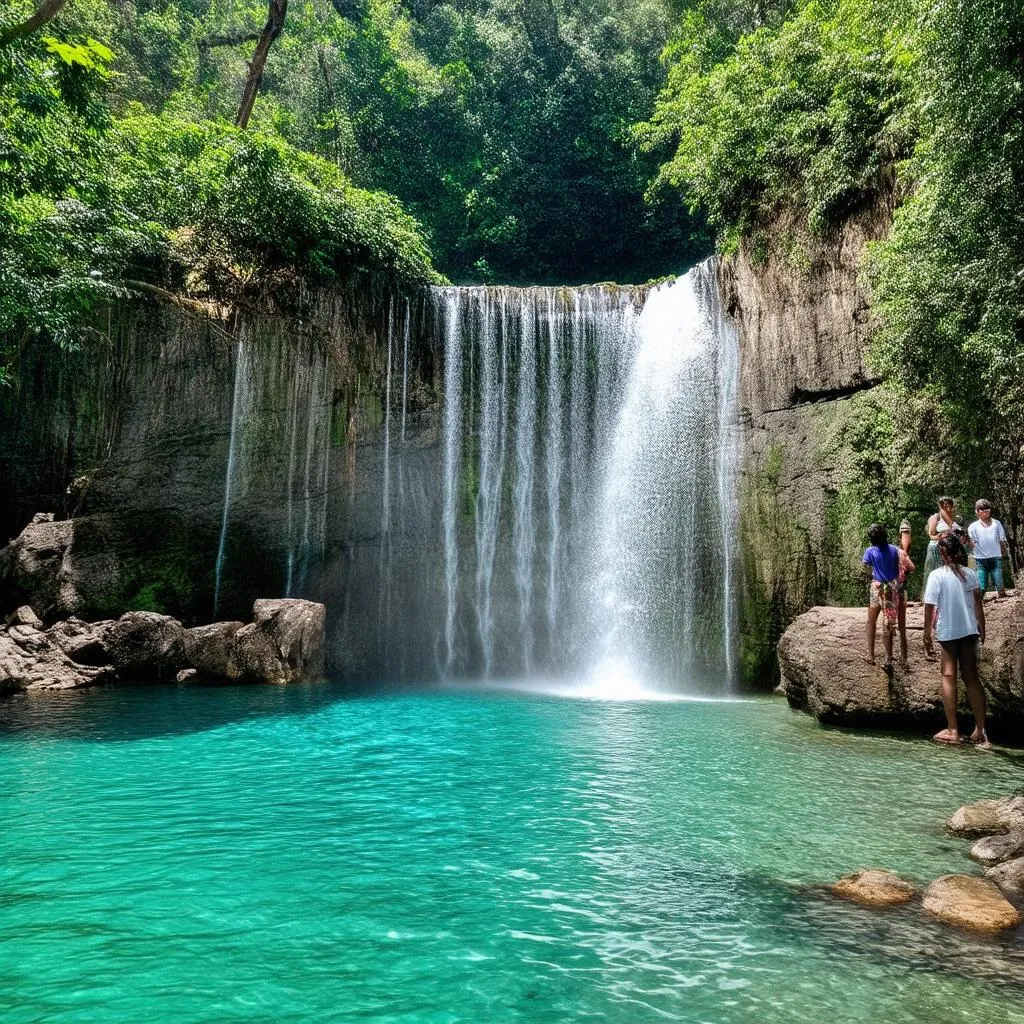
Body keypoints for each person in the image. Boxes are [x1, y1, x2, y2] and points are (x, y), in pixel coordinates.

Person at [922, 533, 989, 748]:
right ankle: (980, 730)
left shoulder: (936, 575)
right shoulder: (970, 573)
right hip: (970, 631)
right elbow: (978, 603)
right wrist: (982, 627)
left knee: (948, 675)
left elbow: (930, 606)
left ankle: (953, 730)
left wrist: (926, 632)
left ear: (942, 553)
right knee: (972, 678)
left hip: (949, 632)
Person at [861, 523, 906, 669]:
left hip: (877, 587)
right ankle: (888, 658)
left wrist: (871, 575)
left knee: (871, 620)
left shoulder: (870, 551)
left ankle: (871, 655)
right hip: (892, 589)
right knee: (888, 623)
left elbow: (865, 569)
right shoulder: (894, 550)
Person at [968, 499, 1009, 599]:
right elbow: (971, 543)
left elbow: (1002, 539)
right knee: (981, 585)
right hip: (980, 559)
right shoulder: (973, 527)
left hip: (995, 556)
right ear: (977, 511)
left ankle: (1001, 594)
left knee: (999, 581)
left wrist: (1004, 552)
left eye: (987, 510)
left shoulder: (996, 524)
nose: (985, 512)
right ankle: (980, 600)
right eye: (982, 510)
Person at [922, 496, 959, 597]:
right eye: (945, 506)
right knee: (936, 570)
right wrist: (939, 537)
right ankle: (931, 595)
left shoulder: (953, 517)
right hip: (937, 547)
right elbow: (931, 535)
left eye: (949, 506)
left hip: (951, 547)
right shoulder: (935, 518)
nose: (947, 508)